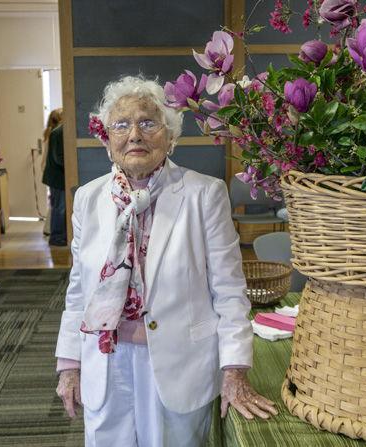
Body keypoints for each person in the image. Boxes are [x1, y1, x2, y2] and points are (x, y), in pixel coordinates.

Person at [55, 76, 277, 446]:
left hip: (180, 363)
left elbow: (229, 290)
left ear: (170, 136)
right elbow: (79, 289)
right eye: (121, 125)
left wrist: (234, 369)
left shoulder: (204, 194)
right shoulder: (89, 199)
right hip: (106, 362)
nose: (135, 135)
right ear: (107, 139)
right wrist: (69, 365)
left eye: (148, 122)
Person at [41, 120, 67, 246]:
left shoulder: (59, 131)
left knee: (58, 207)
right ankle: (57, 237)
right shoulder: (59, 132)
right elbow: (59, 157)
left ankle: (59, 236)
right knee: (59, 208)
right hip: (57, 177)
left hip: (57, 176)